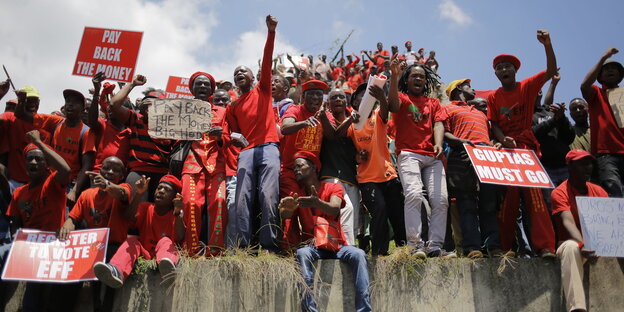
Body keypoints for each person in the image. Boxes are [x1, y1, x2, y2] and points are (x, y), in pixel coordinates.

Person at [487, 30, 558, 257]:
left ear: (515, 70)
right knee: (508, 200)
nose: (504, 70)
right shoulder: (493, 97)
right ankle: (506, 248)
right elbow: (494, 123)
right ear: (496, 73)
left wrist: (547, 44)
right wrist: (501, 139)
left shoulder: (527, 86)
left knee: (535, 197)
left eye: (508, 66)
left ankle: (545, 247)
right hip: (507, 152)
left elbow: (550, 71)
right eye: (500, 67)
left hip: (526, 150)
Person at [279, 151, 371, 312]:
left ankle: (364, 309)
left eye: (300, 166)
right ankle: (310, 309)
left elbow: (335, 209)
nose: (296, 170)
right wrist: (284, 211)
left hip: (337, 246)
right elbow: (287, 216)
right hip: (314, 248)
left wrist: (317, 202)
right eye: (294, 168)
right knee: (302, 253)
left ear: (313, 167)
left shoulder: (333, 187)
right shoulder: (298, 196)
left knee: (358, 254)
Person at [226, 15, 281, 251]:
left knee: (269, 196)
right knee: (242, 200)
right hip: (246, 152)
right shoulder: (233, 106)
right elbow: (233, 134)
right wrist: (233, 137)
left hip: (269, 147)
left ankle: (269, 247)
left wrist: (270, 33)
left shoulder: (264, 89)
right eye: (236, 72)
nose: (239, 74)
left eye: (243, 71)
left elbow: (267, 61)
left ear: (252, 77)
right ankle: (243, 248)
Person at [388, 57, 453, 258]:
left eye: (422, 77)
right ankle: (415, 245)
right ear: (407, 79)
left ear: (426, 81)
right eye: (414, 75)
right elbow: (392, 105)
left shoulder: (434, 102)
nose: (419, 79)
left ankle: (435, 246)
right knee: (414, 195)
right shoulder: (403, 98)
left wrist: (438, 143)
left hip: (432, 157)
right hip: (409, 154)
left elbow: (438, 124)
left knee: (441, 200)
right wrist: (394, 75)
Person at [7, 130, 72, 312]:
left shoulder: (53, 183)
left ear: (47, 164)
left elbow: (66, 170)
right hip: (32, 252)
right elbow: (15, 221)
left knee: (51, 297)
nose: (34, 162)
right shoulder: (19, 193)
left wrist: (39, 143)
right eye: (30, 159)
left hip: (55, 250)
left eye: (39, 159)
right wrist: (15, 236)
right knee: (32, 295)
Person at [341, 83, 407, 255]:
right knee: (379, 211)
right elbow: (345, 146)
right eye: (361, 95)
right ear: (354, 102)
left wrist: (381, 97)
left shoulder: (377, 115)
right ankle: (379, 253)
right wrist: (356, 156)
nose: (365, 97)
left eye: (368, 94)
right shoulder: (352, 124)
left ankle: (404, 249)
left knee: (397, 213)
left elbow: (385, 112)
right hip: (367, 178)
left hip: (388, 174)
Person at [58, 156, 131, 311]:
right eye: (106, 168)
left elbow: (121, 193)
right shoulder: (86, 194)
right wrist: (66, 227)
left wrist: (106, 185)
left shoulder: (124, 188)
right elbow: (73, 219)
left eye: (116, 170)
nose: (110, 172)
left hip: (111, 247)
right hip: (90, 248)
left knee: (105, 280)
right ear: (100, 170)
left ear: (122, 175)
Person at [443, 79, 503, 258]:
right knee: (466, 204)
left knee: (489, 204)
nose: (474, 89)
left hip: (486, 159)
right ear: (459, 89)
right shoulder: (447, 108)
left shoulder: (480, 114)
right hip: (462, 158)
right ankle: (472, 248)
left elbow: (490, 136)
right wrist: (461, 143)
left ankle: (493, 247)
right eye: (469, 86)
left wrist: (496, 143)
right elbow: (443, 132)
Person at [93, 174, 185, 288]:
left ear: (174, 197)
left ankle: (168, 272)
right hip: (145, 253)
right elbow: (127, 217)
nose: (161, 191)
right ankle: (116, 271)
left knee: (165, 240)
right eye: (159, 187)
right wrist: (139, 194)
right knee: (132, 241)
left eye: (167, 190)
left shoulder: (175, 214)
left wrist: (178, 212)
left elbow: (180, 236)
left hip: (164, 256)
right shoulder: (146, 207)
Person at [551, 149, 608, 312]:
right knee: (571, 247)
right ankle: (577, 308)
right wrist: (583, 244)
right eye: (582, 164)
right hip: (572, 245)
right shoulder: (560, 192)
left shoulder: (599, 192)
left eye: (589, 163)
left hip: (598, 246)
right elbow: (568, 222)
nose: (587, 167)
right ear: (570, 167)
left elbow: (609, 226)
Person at [280, 79, 334, 248]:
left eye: (319, 94)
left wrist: (323, 117)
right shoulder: (294, 109)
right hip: (290, 170)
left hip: (311, 174)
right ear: (303, 97)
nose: (315, 98)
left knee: (309, 209)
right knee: (292, 205)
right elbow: (285, 127)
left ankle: (312, 245)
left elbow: (332, 136)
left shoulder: (326, 114)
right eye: (311, 94)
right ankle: (289, 248)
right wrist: (303, 123)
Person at [181, 71, 228, 256]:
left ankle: (215, 250)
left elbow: (230, 138)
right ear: (191, 88)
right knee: (190, 203)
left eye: (206, 85)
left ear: (212, 90)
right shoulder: (180, 110)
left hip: (217, 164)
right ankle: (191, 251)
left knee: (220, 201)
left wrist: (221, 137)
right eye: (198, 84)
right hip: (191, 164)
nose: (202, 87)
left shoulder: (223, 111)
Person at [109, 75, 172, 202]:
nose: (149, 108)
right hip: (138, 171)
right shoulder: (135, 119)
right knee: (136, 210)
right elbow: (114, 104)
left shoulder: (172, 127)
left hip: (163, 174)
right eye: (146, 105)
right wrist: (132, 84)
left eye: (154, 105)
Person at [580, 47, 624, 198]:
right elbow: (584, 85)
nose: (610, 71)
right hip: (606, 154)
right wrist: (603, 57)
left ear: (620, 76)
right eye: (606, 69)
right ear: (600, 77)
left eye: (614, 69)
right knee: (614, 191)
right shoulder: (596, 94)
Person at [319, 89, 359, 246]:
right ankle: (347, 248)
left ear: (346, 101)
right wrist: (350, 120)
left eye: (341, 97)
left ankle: (351, 246)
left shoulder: (356, 124)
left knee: (354, 217)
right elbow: (334, 134)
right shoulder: (325, 121)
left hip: (351, 177)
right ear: (328, 103)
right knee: (346, 209)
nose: (337, 99)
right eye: (333, 97)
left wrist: (359, 156)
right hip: (331, 175)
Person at [84, 72, 132, 173]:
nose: (110, 108)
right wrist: (97, 92)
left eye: (115, 107)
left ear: (126, 112)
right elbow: (92, 121)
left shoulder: (131, 132)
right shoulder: (103, 125)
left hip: (119, 180)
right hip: (98, 174)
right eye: (110, 106)